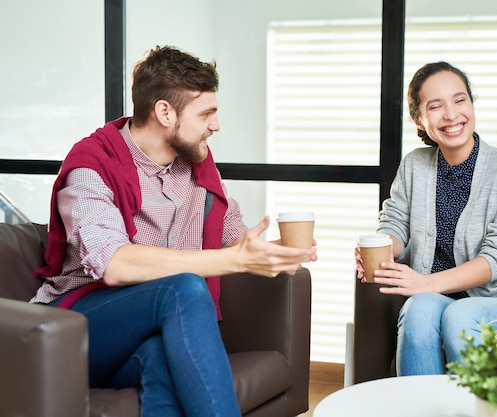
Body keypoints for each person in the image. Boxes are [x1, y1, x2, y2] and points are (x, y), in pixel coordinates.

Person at [30, 45, 317, 417]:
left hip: (146, 336)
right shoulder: (92, 167)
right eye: (207, 114)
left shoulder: (196, 164)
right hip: (76, 331)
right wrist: (231, 259)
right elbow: (113, 264)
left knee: (164, 356)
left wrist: (271, 253)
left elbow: (233, 237)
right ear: (165, 112)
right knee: (184, 286)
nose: (216, 125)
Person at [354, 61, 497, 376]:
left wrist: (426, 282)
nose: (451, 115)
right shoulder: (414, 165)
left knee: (458, 313)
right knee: (419, 307)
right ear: (419, 119)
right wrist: (383, 249)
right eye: (435, 106)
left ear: (471, 103)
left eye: (459, 100)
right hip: (444, 303)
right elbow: (395, 221)